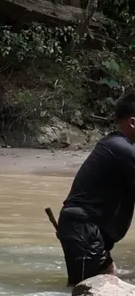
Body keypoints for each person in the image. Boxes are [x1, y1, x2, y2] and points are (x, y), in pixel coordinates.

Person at [55, 93, 135, 286]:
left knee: (107, 278)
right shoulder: (121, 149)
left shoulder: (118, 147)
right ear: (133, 122)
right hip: (83, 227)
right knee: (84, 292)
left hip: (89, 230)